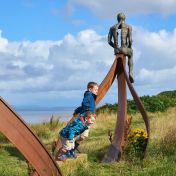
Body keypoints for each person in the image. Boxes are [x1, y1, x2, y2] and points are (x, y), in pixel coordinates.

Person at [108, 12, 134, 83]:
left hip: (116, 50)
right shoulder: (128, 26)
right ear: (124, 18)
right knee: (131, 54)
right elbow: (130, 40)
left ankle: (118, 73)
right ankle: (131, 72)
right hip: (125, 49)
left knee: (119, 56)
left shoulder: (112, 28)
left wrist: (115, 47)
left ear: (117, 19)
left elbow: (109, 41)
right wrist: (129, 47)